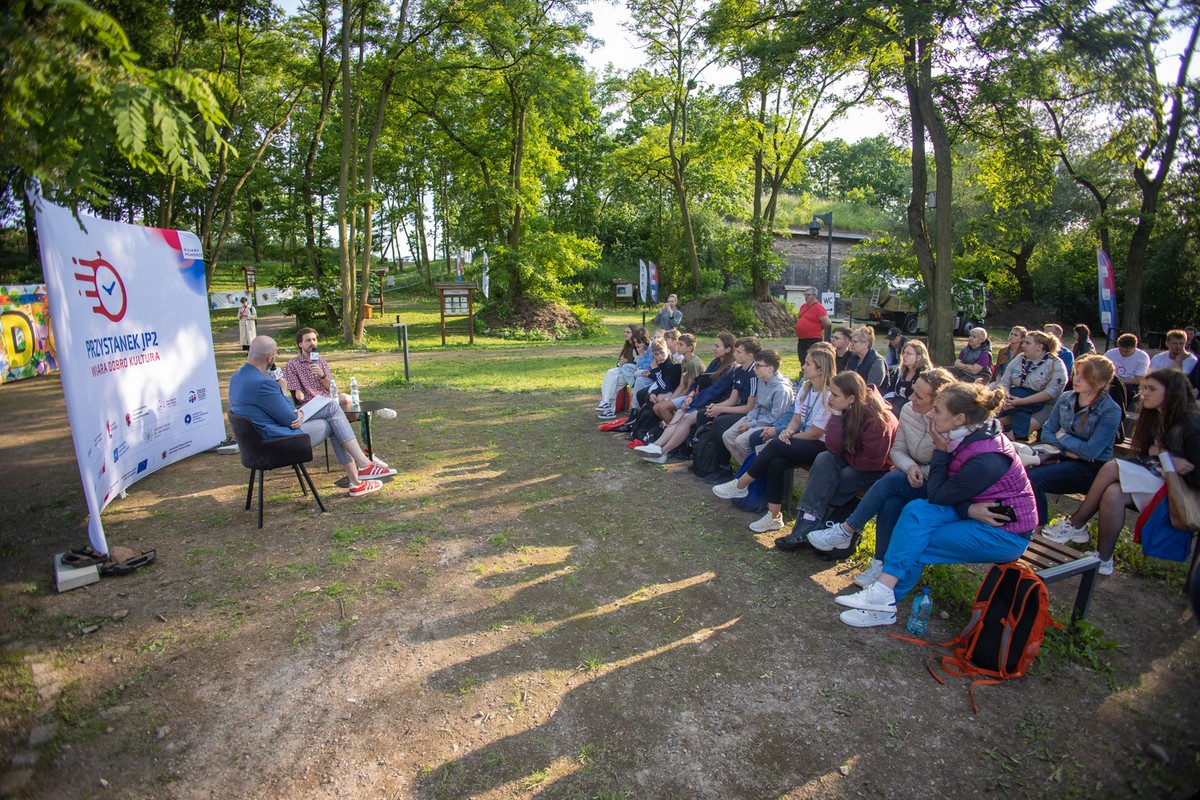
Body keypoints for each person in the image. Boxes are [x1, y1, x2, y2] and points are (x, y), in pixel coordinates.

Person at [832, 382, 1037, 628]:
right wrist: (967, 509)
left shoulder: (985, 457)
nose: (930, 414)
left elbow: (940, 494)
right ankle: (882, 597)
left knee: (920, 539)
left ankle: (884, 602)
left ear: (959, 418)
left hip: (1004, 533)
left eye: (937, 410)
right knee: (915, 511)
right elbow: (948, 494)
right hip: (974, 511)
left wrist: (940, 452)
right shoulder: (968, 434)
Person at [1039, 369, 1200, 576]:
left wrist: (1165, 457)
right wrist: (1163, 457)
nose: (1144, 394)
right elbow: (1148, 456)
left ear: (1172, 392)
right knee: (1113, 493)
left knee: (1112, 466)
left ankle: (1076, 523)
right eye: (1143, 388)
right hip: (1158, 480)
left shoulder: (1191, 424)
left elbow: (1193, 476)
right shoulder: (1155, 417)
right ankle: (1104, 559)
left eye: (1152, 389)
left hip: (1182, 493)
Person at [806, 368, 958, 583]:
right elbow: (898, 450)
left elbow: (949, 466)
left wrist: (911, 469)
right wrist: (909, 467)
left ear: (938, 402)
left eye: (919, 396)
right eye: (913, 391)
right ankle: (879, 564)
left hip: (934, 485)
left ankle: (845, 530)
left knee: (888, 480)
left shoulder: (951, 424)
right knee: (891, 502)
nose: (911, 397)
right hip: (907, 474)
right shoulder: (908, 410)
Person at [230, 336, 394, 497]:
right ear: (270, 357)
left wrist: (298, 411)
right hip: (275, 442)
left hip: (255, 444)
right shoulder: (263, 383)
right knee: (333, 419)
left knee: (332, 411)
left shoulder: (236, 378)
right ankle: (360, 474)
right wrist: (283, 389)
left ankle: (360, 476)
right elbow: (289, 419)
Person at [769, 372, 898, 541]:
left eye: (835, 394)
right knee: (824, 459)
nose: (830, 397)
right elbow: (833, 447)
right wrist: (836, 417)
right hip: (854, 457)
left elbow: (871, 462)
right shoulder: (845, 408)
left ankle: (820, 525)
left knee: (842, 477)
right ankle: (806, 523)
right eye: (830, 392)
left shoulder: (878, 421)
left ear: (851, 398)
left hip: (878, 469)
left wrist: (845, 454)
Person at [712, 347, 836, 519]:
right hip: (803, 438)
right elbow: (796, 418)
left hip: (821, 446)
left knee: (774, 443)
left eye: (808, 364)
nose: (803, 366)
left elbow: (816, 433)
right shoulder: (806, 388)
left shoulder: (829, 394)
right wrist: (788, 430)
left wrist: (787, 435)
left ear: (821, 369)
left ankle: (741, 485)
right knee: (776, 463)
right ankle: (774, 516)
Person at [1027, 355, 1123, 529]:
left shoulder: (1110, 410)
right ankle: (1026, 521)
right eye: (1077, 373)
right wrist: (1066, 451)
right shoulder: (1066, 398)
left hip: (1091, 468)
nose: (1076, 379)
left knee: (1032, 479)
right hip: (1062, 456)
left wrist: (1063, 436)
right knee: (1019, 470)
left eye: (1084, 377)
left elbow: (1090, 452)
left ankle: (1038, 526)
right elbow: (1047, 432)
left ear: (1100, 383)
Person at [636, 334, 740, 462]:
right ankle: (657, 445)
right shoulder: (715, 362)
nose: (713, 348)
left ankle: (663, 451)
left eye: (717, 346)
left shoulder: (731, 369)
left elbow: (714, 392)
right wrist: (690, 396)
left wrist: (692, 401)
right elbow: (699, 382)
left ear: (728, 349)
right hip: (701, 399)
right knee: (679, 412)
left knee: (685, 416)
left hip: (715, 404)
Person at [721, 349, 793, 466]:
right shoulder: (761, 380)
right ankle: (748, 470)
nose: (754, 369)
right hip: (756, 419)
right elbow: (757, 405)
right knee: (727, 436)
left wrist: (751, 424)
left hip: (769, 424)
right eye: (755, 365)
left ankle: (752, 472)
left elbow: (776, 418)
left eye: (758, 366)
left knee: (741, 441)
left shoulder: (781, 389)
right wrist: (749, 418)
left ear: (770, 368)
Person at [995, 329, 1068, 441]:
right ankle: (1017, 438)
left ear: (1039, 346)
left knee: (1007, 433)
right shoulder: (1020, 358)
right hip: (1015, 401)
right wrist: (1006, 397)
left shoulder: (1055, 364)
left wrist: (1020, 402)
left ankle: (1018, 439)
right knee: (998, 424)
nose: (1023, 345)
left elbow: (1050, 393)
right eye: (1023, 342)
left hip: (1043, 404)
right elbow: (1005, 381)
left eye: (1027, 343)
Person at [284, 328, 352, 411]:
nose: (312, 343)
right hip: (310, 403)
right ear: (300, 344)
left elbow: (332, 389)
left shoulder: (321, 360)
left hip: (327, 398)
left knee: (347, 398)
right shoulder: (292, 364)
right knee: (342, 401)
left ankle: (365, 416)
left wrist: (322, 376)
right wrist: (299, 392)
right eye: (308, 340)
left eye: (314, 339)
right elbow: (299, 397)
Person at [596, 326, 643, 419]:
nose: (625, 334)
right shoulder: (627, 346)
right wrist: (620, 363)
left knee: (612, 381)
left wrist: (627, 362)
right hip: (623, 370)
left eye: (628, 332)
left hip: (631, 373)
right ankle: (607, 404)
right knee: (611, 376)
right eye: (625, 332)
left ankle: (608, 408)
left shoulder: (637, 346)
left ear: (634, 334)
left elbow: (640, 362)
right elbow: (619, 362)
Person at [1104, 333, 1151, 408]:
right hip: (1110, 381)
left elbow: (1139, 380)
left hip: (1129, 384)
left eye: (1127, 351)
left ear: (1135, 347)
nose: (1123, 353)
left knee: (1124, 392)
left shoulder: (1142, 357)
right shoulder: (1110, 353)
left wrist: (1119, 381)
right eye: (1121, 350)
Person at [793, 288, 830, 367]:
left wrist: (816, 328)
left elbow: (827, 322)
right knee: (802, 358)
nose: (806, 297)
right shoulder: (803, 306)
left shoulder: (819, 307)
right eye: (805, 295)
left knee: (813, 359)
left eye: (808, 295)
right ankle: (804, 374)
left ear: (814, 296)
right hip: (802, 338)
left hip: (813, 338)